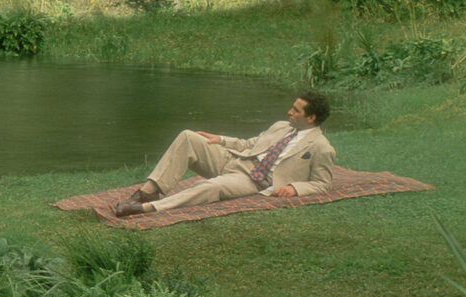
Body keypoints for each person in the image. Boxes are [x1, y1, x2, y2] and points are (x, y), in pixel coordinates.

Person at [114, 93, 335, 217]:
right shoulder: (281, 126)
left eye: (296, 110)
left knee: (211, 188)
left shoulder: (321, 147)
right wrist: (220, 139)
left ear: (312, 118)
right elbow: (251, 144)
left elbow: (322, 184)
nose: (290, 112)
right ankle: (148, 192)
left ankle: (146, 208)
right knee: (188, 137)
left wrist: (294, 188)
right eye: (292, 107)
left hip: (253, 180)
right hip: (237, 160)